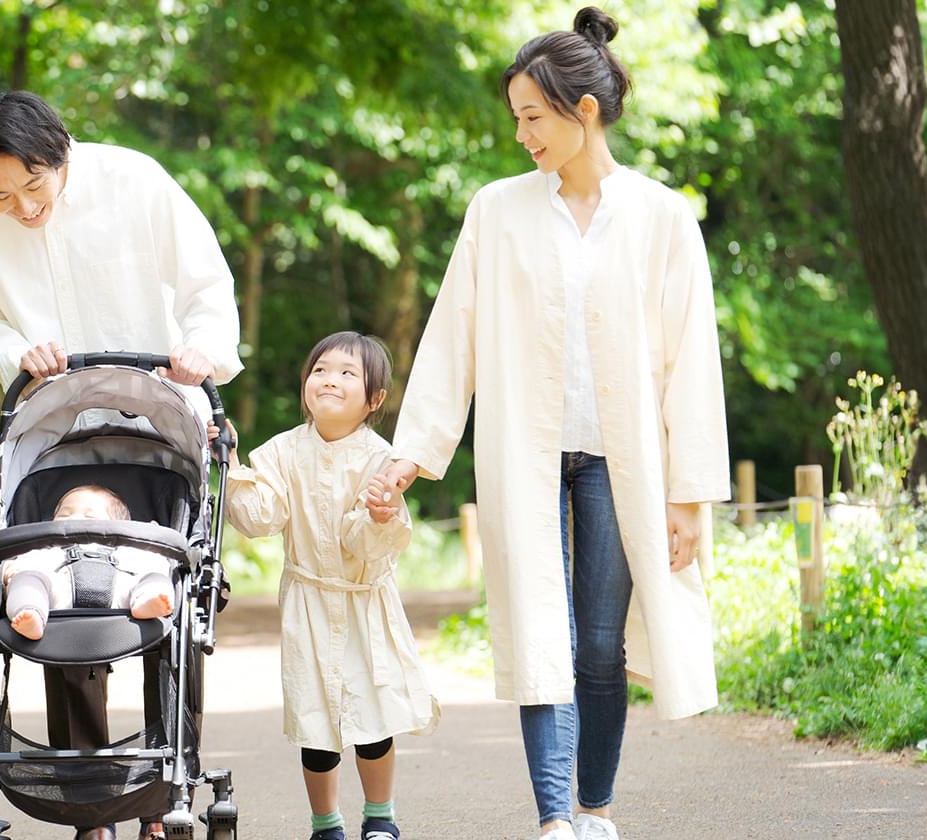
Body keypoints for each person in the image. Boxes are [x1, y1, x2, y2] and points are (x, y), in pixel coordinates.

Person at [378, 9, 731, 840]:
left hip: (623, 459)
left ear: (584, 110)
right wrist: (414, 453)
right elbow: (452, 334)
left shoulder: (661, 217)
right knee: (541, 632)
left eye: (533, 117)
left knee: (600, 647)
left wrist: (691, 496)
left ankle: (596, 809)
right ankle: (553, 820)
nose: (522, 136)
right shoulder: (497, 211)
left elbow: (692, 362)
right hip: (526, 455)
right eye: (515, 120)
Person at [0, 90, 241, 840]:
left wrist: (201, 351)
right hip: (54, 424)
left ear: (62, 150)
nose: (21, 207)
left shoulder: (136, 182)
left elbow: (206, 283)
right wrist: (17, 354)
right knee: (61, 594)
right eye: (0, 195)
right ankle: (90, 799)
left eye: (33, 187)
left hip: (161, 406)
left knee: (169, 597)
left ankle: (162, 782)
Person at [224, 332, 440, 840]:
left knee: (373, 714)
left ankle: (381, 816)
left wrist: (381, 514)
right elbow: (261, 517)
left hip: (365, 603)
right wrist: (232, 468)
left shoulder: (384, 459)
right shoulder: (279, 452)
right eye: (320, 369)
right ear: (305, 385)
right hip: (309, 602)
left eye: (347, 373)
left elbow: (369, 543)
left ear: (375, 399)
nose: (330, 379)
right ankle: (326, 823)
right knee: (314, 718)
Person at [0, 485, 176, 641]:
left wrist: (152, 536)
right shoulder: (48, 546)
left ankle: (147, 601)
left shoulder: (126, 548)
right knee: (28, 580)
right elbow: (28, 561)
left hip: (122, 593)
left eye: (90, 516)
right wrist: (13, 570)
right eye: (64, 514)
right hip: (57, 595)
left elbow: (153, 561)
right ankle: (31, 612)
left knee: (154, 578)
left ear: (121, 527)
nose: (74, 519)